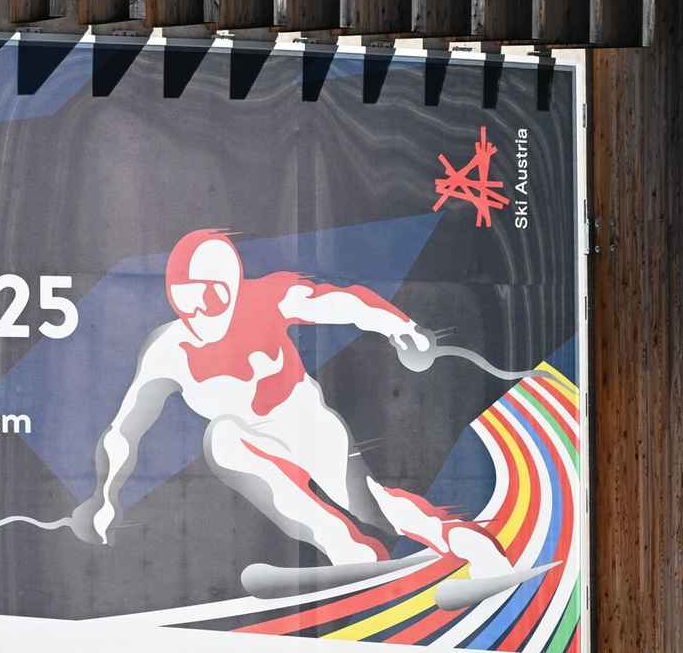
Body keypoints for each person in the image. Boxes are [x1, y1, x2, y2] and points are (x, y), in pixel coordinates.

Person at [68, 230, 516, 589]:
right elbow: (124, 429)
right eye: (186, 297)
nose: (199, 312)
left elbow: (345, 303)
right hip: (247, 440)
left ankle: (470, 544)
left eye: (213, 297)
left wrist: (403, 327)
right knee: (223, 436)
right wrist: (105, 495)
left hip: (303, 421)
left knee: (371, 504)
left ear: (233, 289)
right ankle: (345, 546)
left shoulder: (268, 299)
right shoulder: (169, 350)